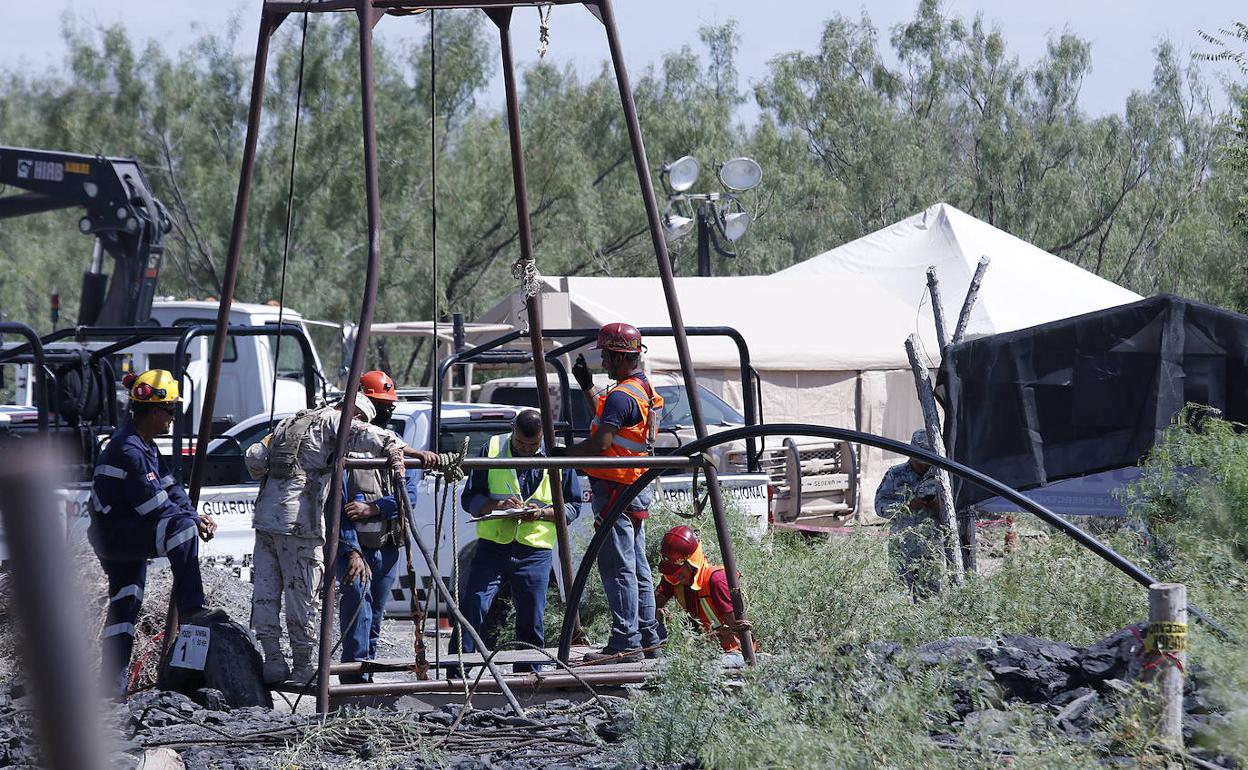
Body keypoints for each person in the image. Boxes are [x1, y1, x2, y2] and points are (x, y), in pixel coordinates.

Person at [244, 387, 440, 685]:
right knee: (303, 596)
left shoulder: (291, 422)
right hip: (299, 523)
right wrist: (413, 453)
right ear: (359, 415)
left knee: (266, 595)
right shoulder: (336, 422)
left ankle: (273, 660)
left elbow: (256, 458)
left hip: (266, 519)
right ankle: (303, 667)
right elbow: (378, 438)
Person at [88, 369, 218, 700]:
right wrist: (191, 522)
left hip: (119, 535)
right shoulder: (128, 449)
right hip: (117, 536)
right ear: (153, 410)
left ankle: (110, 688)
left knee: (125, 606)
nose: (173, 418)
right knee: (182, 530)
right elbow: (153, 506)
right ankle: (192, 610)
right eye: (170, 411)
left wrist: (194, 514)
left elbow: (172, 489)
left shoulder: (142, 444)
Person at [561, 322, 664, 664]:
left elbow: (603, 441)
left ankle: (625, 641)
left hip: (617, 489)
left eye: (605, 354)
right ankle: (648, 637)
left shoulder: (622, 395)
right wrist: (587, 386)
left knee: (618, 568)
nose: (602, 361)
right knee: (637, 568)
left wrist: (563, 454)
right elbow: (611, 421)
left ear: (619, 355)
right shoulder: (640, 389)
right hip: (633, 488)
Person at [459, 409, 582, 672]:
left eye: (533, 445)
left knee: (531, 618)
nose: (526, 449)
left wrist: (541, 513)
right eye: (521, 444)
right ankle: (458, 671)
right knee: (472, 605)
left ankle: (528, 679)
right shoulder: (492, 448)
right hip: (492, 548)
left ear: (542, 438)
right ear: (513, 430)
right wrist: (496, 505)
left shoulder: (557, 455)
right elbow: (469, 499)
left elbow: (573, 506)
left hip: (534, 551)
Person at [336, 371, 417, 684]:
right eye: (379, 404)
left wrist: (375, 507)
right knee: (357, 608)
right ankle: (352, 679)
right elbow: (337, 502)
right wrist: (350, 549)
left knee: (374, 615)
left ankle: (365, 674)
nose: (385, 411)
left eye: (388, 405)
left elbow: (407, 495)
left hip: (387, 543)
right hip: (355, 545)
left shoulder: (394, 446)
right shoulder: (344, 447)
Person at [654, 525, 753, 667]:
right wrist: (659, 614)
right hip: (697, 652)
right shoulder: (673, 577)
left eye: (678, 572)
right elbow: (650, 607)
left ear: (691, 563)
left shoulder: (717, 580)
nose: (675, 577)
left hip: (731, 653)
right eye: (671, 572)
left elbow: (739, 631)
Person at [874, 429, 943, 599]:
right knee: (900, 599)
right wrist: (906, 506)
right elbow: (879, 506)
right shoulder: (895, 474)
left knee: (930, 599)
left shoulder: (941, 476)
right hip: (902, 549)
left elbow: (955, 507)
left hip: (931, 549)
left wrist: (938, 506)